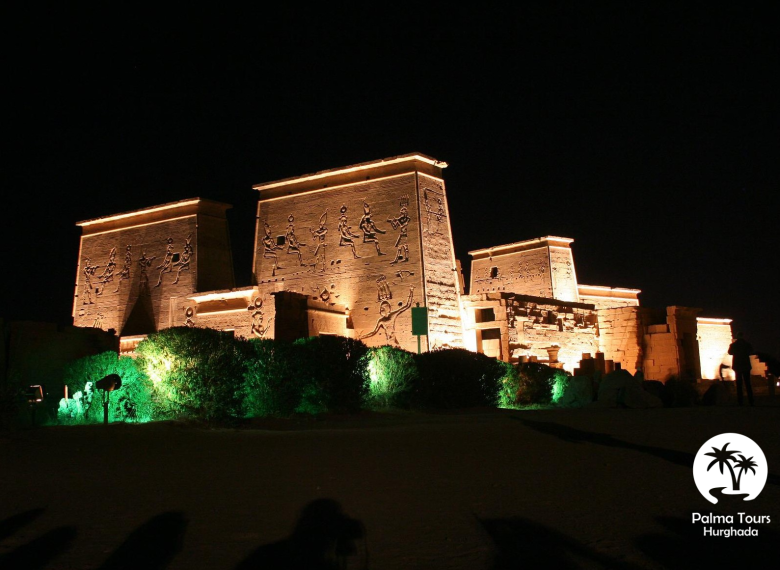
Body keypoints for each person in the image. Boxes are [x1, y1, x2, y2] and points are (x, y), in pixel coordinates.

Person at [728, 332, 754, 406]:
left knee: (739, 384)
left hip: (737, 366)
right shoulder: (747, 344)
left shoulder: (733, 345)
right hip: (746, 365)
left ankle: (740, 401)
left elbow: (730, 352)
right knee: (748, 384)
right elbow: (751, 351)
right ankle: (751, 401)